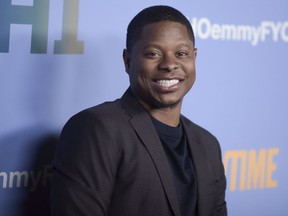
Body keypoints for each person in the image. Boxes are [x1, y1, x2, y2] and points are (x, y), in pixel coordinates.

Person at [50, 5, 227, 216]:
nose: (170, 64)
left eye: (181, 53)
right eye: (153, 53)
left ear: (194, 58)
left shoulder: (208, 144)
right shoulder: (96, 129)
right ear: (127, 61)